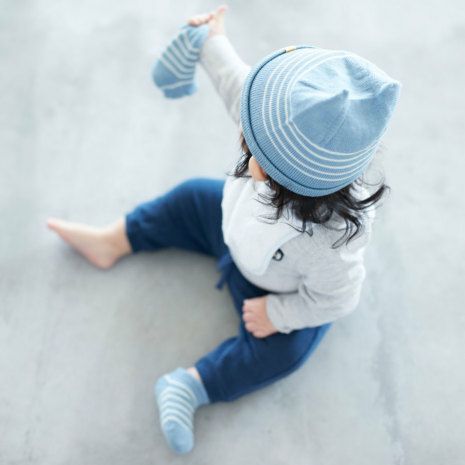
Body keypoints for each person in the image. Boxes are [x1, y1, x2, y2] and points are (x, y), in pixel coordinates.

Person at [46, 4, 401, 455]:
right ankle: (113, 240)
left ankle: (193, 384)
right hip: (233, 232)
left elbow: (337, 299)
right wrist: (213, 42)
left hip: (274, 289)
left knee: (284, 353)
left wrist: (280, 314)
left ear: (266, 173)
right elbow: (238, 86)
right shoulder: (281, 135)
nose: (242, 129)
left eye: (249, 140)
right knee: (191, 196)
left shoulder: (332, 246)